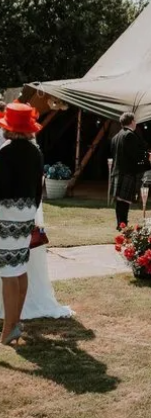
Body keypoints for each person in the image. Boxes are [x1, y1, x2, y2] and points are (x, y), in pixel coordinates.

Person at [0, 102, 45, 345]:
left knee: (7, 271)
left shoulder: (5, 152)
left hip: (6, 213)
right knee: (19, 266)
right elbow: (39, 189)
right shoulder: (35, 152)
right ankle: (15, 321)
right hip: (27, 212)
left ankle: (8, 328)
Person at [110, 112, 151, 230]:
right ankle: (122, 224)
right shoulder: (130, 135)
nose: (136, 123)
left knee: (120, 201)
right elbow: (135, 154)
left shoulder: (116, 136)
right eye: (135, 121)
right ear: (132, 122)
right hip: (127, 172)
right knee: (124, 201)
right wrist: (148, 156)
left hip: (117, 172)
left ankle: (120, 224)